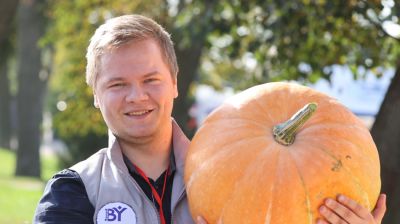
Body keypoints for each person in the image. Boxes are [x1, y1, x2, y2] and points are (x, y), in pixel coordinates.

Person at [34, 14, 386, 224]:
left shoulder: (257, 175)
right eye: (117, 84)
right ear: (95, 95)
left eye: (150, 80)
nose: (136, 96)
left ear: (174, 83)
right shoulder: (74, 192)